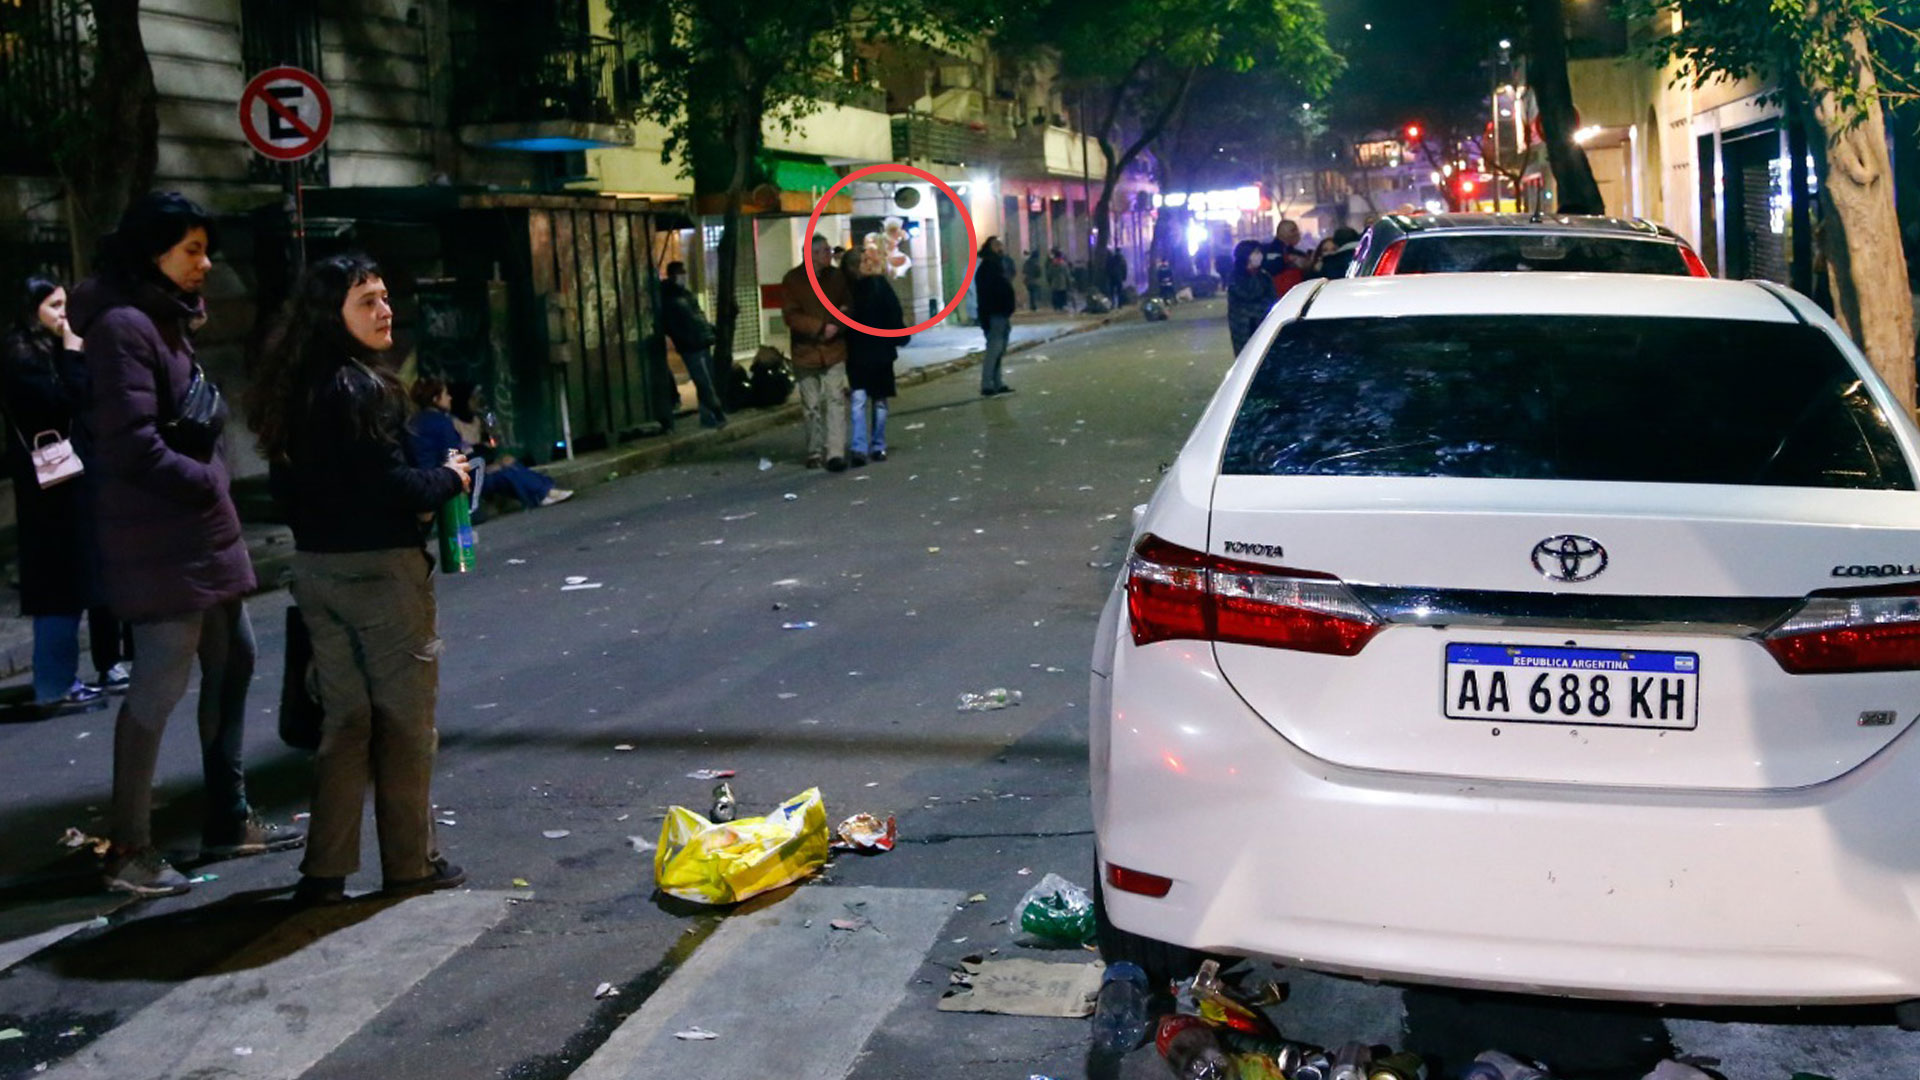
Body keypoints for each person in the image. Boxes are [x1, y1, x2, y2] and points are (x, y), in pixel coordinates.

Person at [69, 192, 302, 897]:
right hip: (162, 537)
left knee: (235, 661)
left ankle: (228, 816)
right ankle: (129, 847)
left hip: (199, 531)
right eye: (191, 251)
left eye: (206, 250)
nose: (205, 264)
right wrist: (207, 480)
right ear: (152, 252)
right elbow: (131, 444)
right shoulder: (124, 327)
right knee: (159, 683)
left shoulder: (164, 318)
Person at [247, 252, 472, 905]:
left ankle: (325, 870)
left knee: (344, 722)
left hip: (318, 571)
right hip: (381, 573)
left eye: (384, 296)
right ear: (333, 315)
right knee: (406, 724)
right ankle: (410, 862)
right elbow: (392, 487)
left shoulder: (291, 389)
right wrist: (449, 478)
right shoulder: (362, 389)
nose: (384, 311)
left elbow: (290, 491)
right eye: (367, 301)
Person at [1, 277, 126, 711]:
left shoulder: (52, 350)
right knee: (59, 582)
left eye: (65, 305)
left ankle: (67, 676)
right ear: (31, 309)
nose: (64, 315)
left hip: (73, 476)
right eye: (54, 306)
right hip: (48, 484)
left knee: (78, 576)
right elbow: (61, 402)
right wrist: (73, 354)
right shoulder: (21, 357)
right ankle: (54, 682)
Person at [405, 376, 569, 510]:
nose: (450, 398)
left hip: (431, 478)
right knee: (505, 474)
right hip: (443, 480)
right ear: (436, 399)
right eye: (446, 394)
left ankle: (545, 490)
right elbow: (453, 457)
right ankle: (543, 492)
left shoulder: (417, 422)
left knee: (507, 467)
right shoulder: (442, 423)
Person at [780, 234, 852, 471]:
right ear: (811, 255)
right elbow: (791, 315)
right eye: (824, 251)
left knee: (835, 400)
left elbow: (848, 305)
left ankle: (835, 452)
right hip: (806, 351)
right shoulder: (793, 280)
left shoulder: (837, 277)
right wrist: (820, 327)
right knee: (810, 405)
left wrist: (837, 324)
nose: (829, 254)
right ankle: (814, 450)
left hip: (834, 349)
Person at [840, 248, 905, 466]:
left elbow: (894, 313)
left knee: (869, 400)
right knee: (869, 400)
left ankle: (868, 446)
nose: (868, 264)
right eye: (863, 261)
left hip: (868, 352)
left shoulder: (867, 286)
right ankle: (870, 446)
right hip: (869, 352)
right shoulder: (862, 288)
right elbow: (894, 313)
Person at [659, 261, 726, 430]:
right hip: (691, 346)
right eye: (680, 273)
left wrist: (709, 330)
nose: (684, 275)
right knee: (703, 382)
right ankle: (716, 413)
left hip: (701, 341)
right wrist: (685, 339)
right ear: (672, 275)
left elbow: (698, 316)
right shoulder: (668, 297)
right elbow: (671, 325)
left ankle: (708, 417)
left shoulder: (685, 294)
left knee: (707, 380)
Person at [975, 237, 1018, 397]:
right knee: (994, 349)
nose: (1001, 247)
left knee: (999, 349)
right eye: (997, 245)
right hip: (994, 313)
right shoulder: (988, 267)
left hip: (1000, 313)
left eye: (1001, 244)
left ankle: (997, 382)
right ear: (990, 247)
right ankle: (987, 384)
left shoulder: (998, 265)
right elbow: (991, 292)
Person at [1226, 239, 1277, 358]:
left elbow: (1272, 298)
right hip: (1243, 328)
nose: (1259, 256)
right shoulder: (1236, 277)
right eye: (1255, 253)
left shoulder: (1264, 276)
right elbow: (1249, 295)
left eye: (1259, 252)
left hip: (1263, 325)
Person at [1264, 219, 1309, 299]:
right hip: (1279, 296)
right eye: (1293, 230)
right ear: (1282, 233)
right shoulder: (1270, 251)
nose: (1297, 233)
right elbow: (1272, 268)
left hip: (1297, 294)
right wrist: (1288, 260)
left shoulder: (1295, 251)